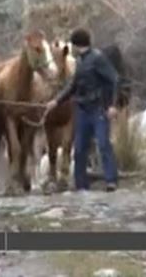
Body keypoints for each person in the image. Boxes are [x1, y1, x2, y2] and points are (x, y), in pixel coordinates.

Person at [43, 28, 120, 192]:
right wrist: (56, 102)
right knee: (79, 148)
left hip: (98, 108)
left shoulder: (98, 58)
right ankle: (81, 184)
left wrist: (112, 105)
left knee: (103, 143)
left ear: (77, 45)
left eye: (72, 45)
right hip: (82, 109)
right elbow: (73, 86)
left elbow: (114, 79)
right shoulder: (79, 61)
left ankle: (111, 180)